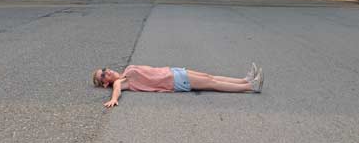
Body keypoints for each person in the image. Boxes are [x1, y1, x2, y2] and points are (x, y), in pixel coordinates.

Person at [92, 63, 264, 108]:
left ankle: (245, 80)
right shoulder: (122, 82)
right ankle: (251, 87)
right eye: (103, 75)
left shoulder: (125, 72)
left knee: (208, 76)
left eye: (105, 69)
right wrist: (114, 99)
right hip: (175, 81)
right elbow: (117, 90)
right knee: (212, 83)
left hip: (174, 72)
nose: (106, 72)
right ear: (105, 83)